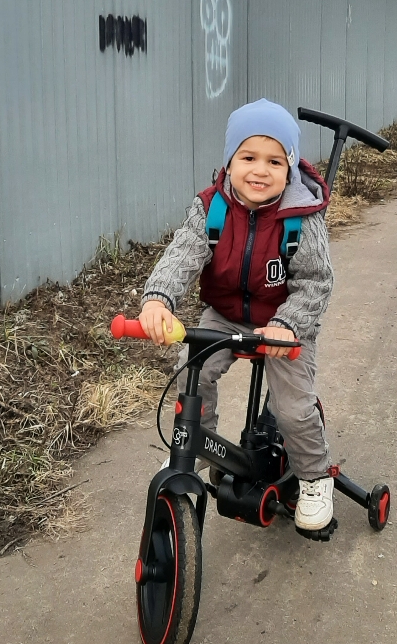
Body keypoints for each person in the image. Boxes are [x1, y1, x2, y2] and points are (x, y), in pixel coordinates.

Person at [139, 98, 334, 533]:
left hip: (285, 322)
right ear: (229, 161)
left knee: (293, 409)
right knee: (193, 369)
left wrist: (288, 325)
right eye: (248, 157)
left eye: (274, 161)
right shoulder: (212, 208)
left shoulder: (299, 217)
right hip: (225, 315)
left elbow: (317, 282)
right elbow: (181, 256)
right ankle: (194, 445)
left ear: (290, 168)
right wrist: (158, 299)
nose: (260, 171)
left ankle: (315, 476)